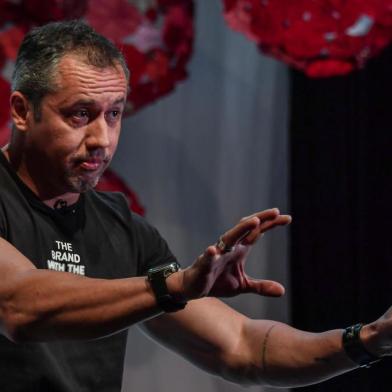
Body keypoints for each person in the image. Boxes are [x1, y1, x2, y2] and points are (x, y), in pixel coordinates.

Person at [0, 19, 390, 391]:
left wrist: (369, 340)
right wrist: (176, 286)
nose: (102, 137)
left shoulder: (120, 227)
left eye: (114, 114)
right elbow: (20, 307)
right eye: (80, 114)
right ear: (21, 111)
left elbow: (242, 348)